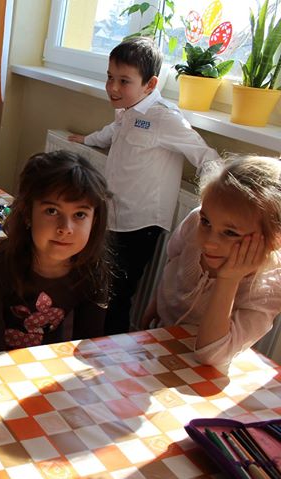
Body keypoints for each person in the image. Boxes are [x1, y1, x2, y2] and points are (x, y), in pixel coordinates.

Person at [68, 37, 219, 335]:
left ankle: (112, 350)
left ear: (150, 84)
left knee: (118, 295)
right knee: (99, 286)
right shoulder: (128, 108)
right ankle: (88, 340)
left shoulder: (165, 118)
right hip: (114, 215)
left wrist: (220, 199)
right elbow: (113, 131)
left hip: (141, 224)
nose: (113, 87)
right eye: (110, 77)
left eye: (124, 81)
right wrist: (87, 140)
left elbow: (205, 155)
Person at [141, 156, 281, 367]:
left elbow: (211, 354)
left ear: (275, 240)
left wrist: (229, 280)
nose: (209, 243)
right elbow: (173, 258)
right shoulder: (195, 220)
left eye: (230, 233)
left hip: (199, 369)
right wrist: (156, 303)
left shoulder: (268, 288)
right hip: (161, 337)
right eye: (206, 222)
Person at [0, 151, 112, 354]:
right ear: (28, 214)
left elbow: (88, 347)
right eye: (52, 211)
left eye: (80, 214)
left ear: (94, 221)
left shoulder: (92, 271)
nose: (66, 228)